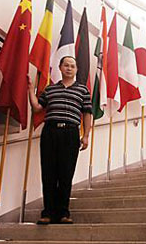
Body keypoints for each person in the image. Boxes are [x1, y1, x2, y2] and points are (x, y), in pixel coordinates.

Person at [28, 56, 92, 224]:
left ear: (76, 70)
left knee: (66, 174)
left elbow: (87, 113)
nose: (69, 68)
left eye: (72, 66)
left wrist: (85, 136)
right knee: (48, 174)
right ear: (60, 67)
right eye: (66, 65)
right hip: (50, 132)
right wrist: (29, 89)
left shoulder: (83, 90)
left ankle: (63, 213)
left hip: (71, 134)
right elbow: (37, 108)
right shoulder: (50, 89)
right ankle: (47, 213)